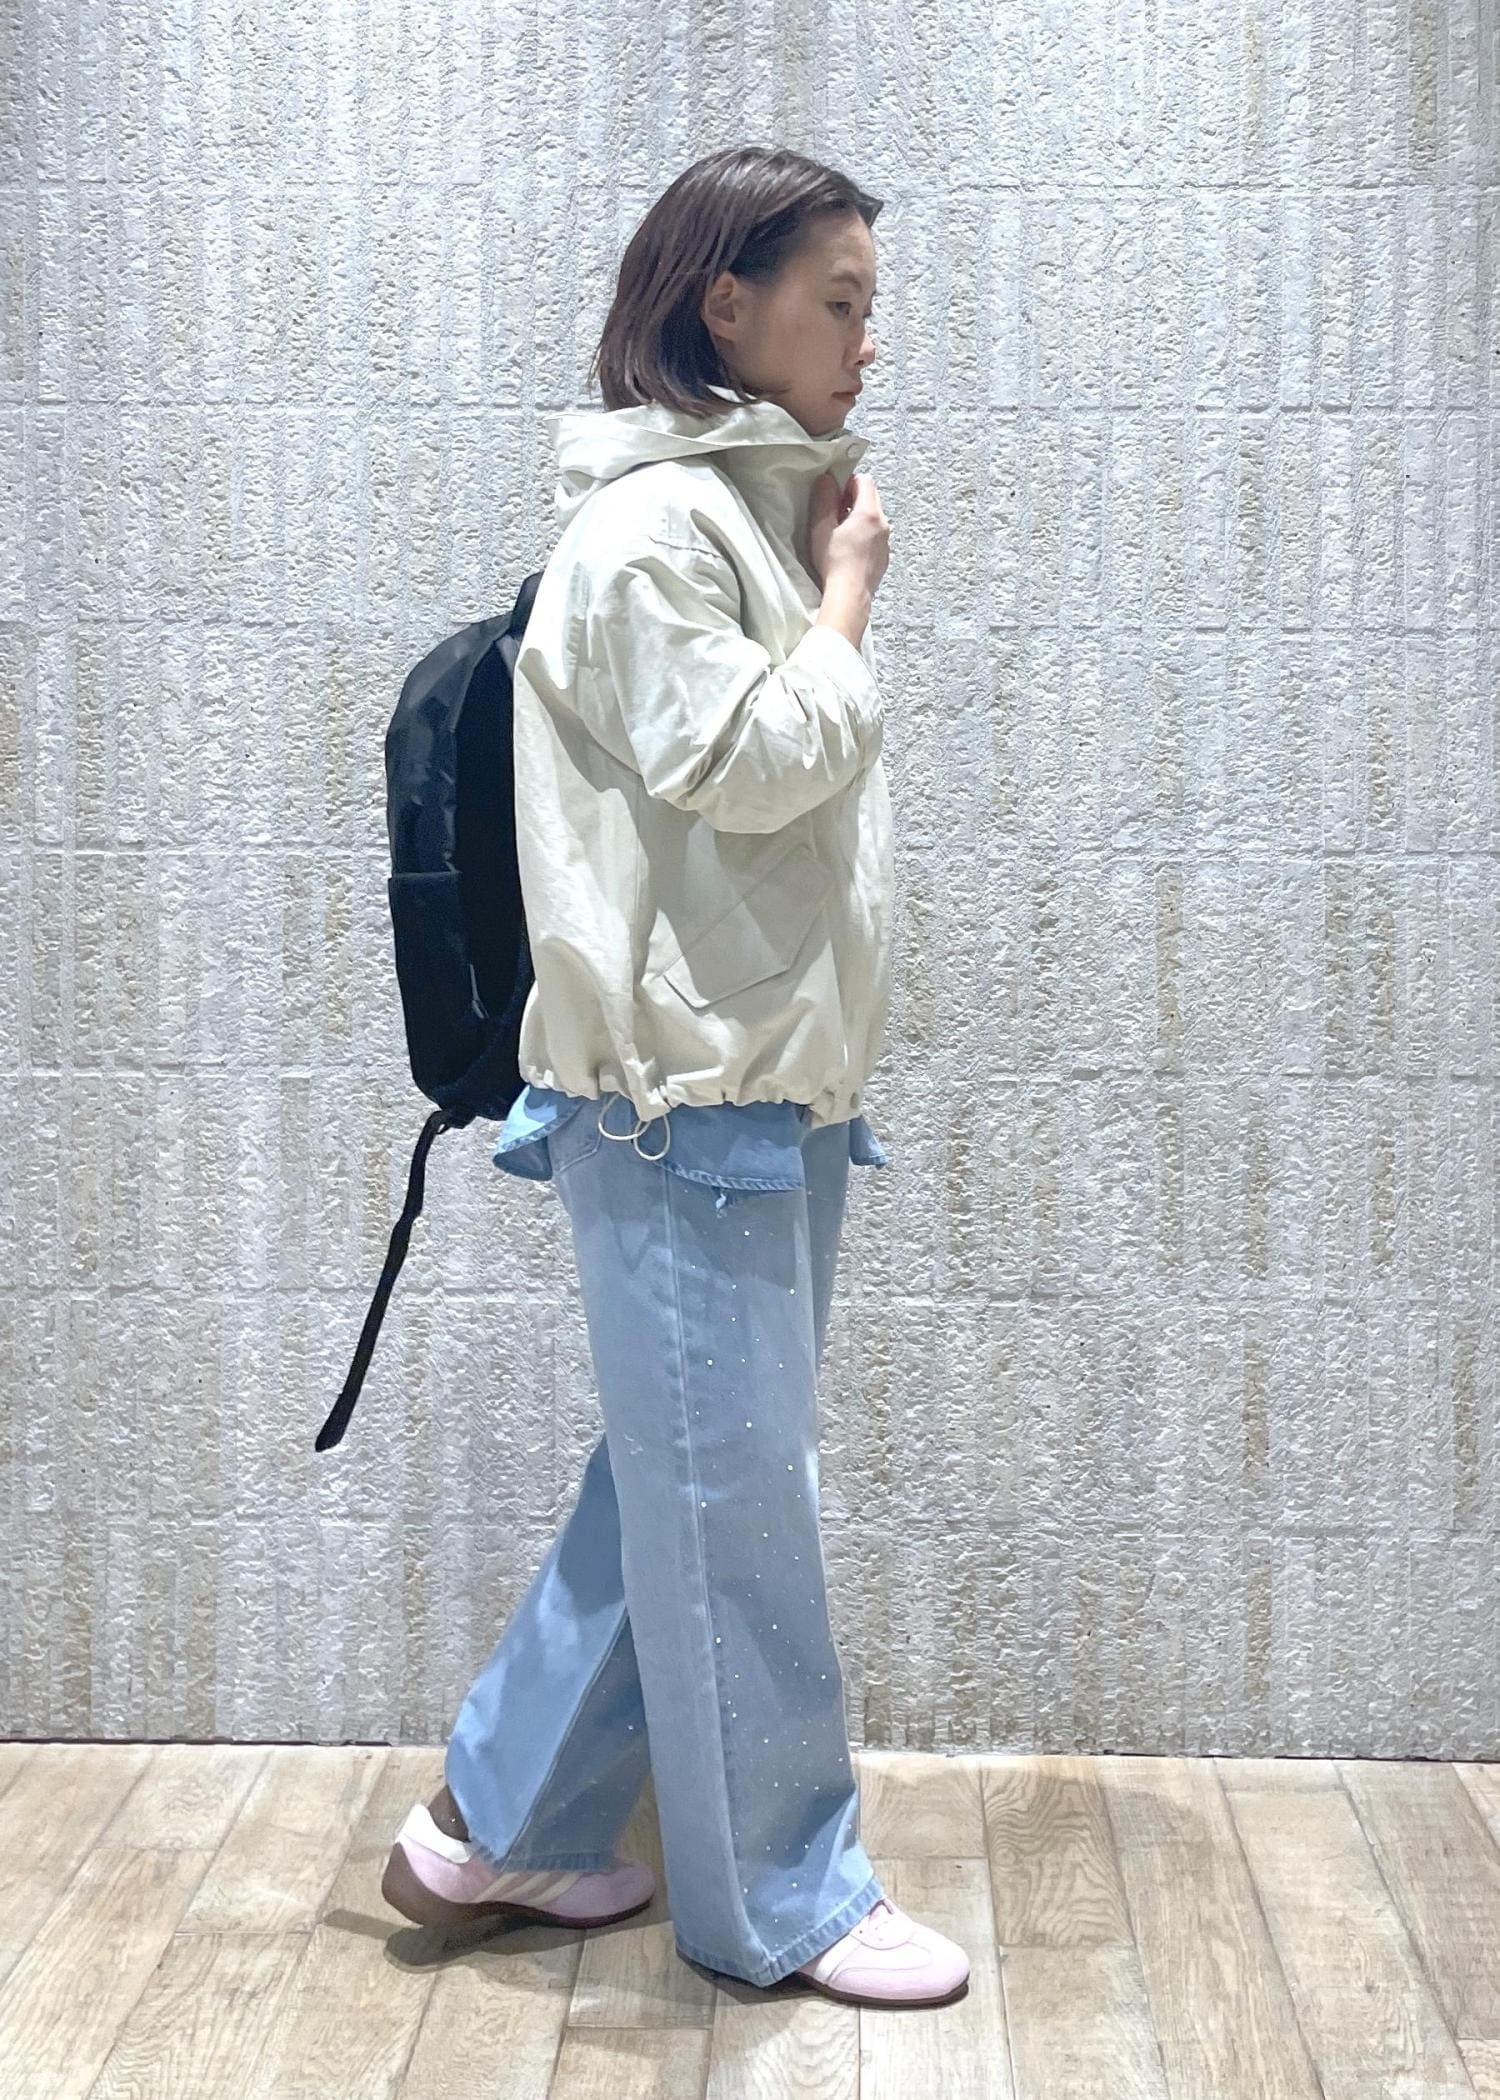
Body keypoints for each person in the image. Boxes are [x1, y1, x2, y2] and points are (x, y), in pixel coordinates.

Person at [381, 145, 970, 2009]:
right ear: (727, 304)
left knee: (690, 1479)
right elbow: (758, 759)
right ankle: (781, 1897)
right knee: (733, 1508)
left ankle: (508, 1816)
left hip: (755, 1089)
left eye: (872, 306)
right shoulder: (650, 537)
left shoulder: (726, 518)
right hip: (683, 1101)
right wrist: (851, 591)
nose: (869, 341)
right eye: (840, 302)